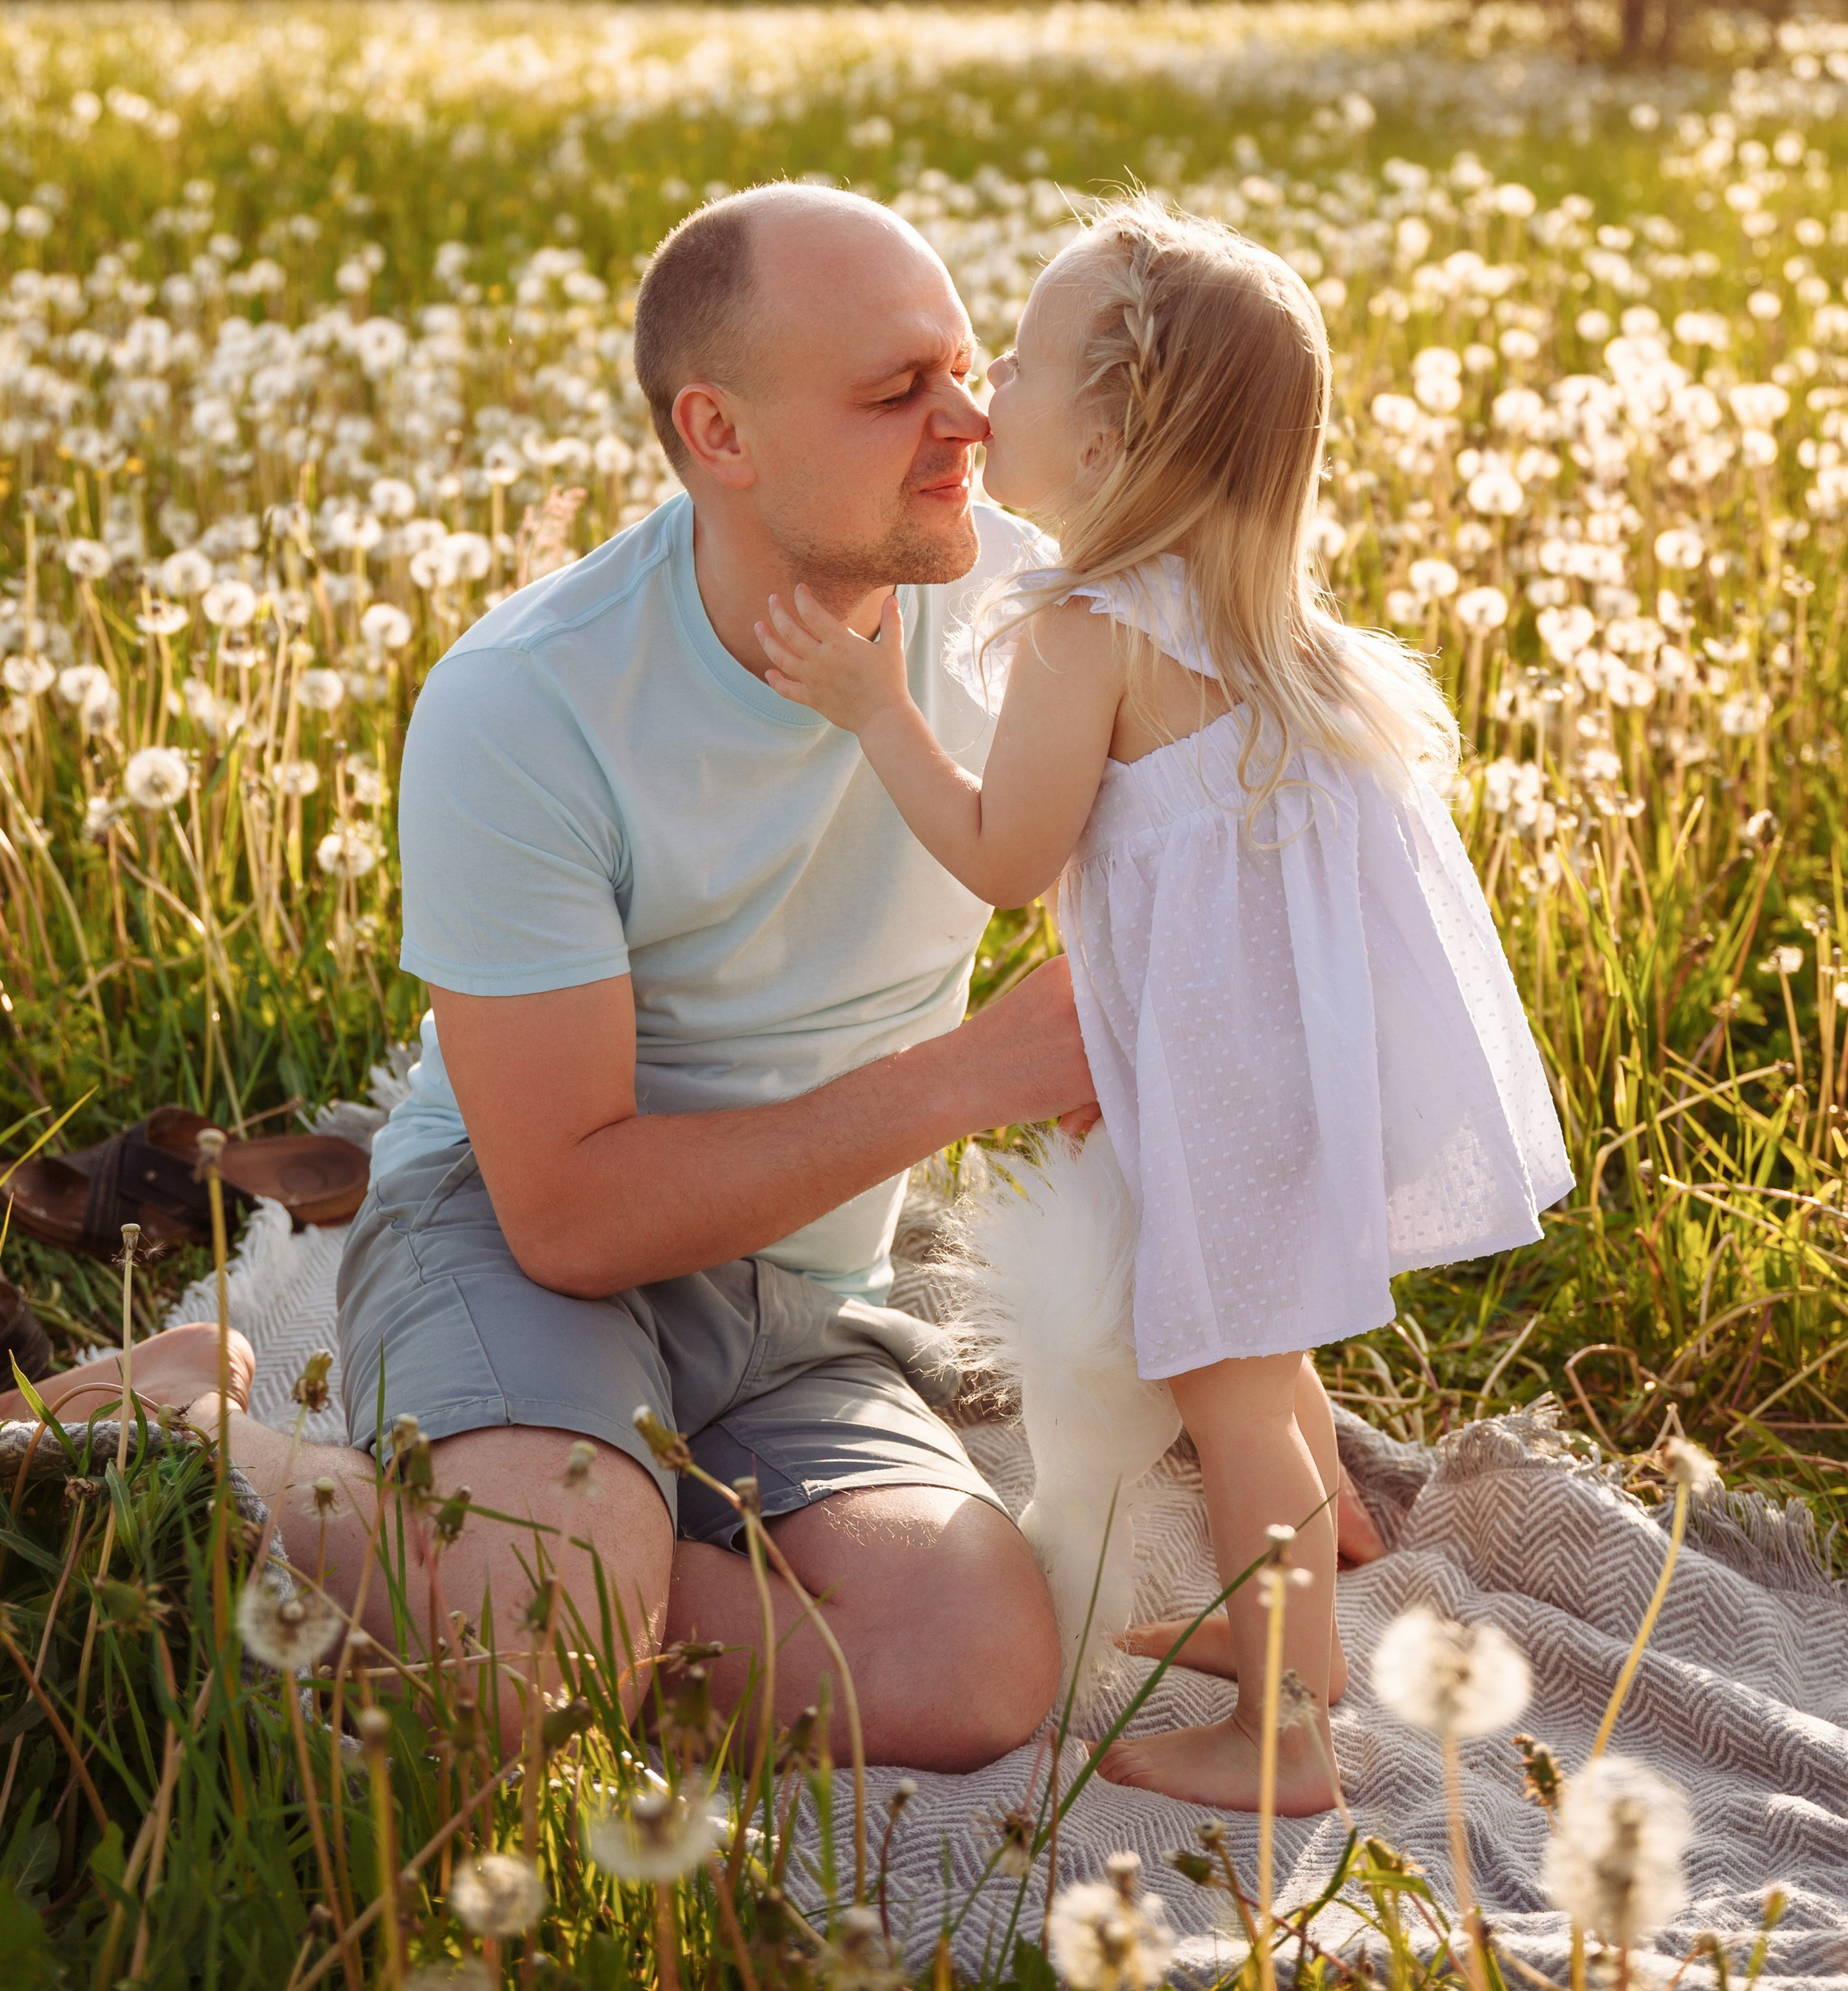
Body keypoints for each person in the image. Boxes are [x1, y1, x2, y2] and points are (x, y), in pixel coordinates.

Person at [7, 182, 1382, 1762]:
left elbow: (1180, 945)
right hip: (518, 1236)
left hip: (800, 1284)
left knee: (974, 1668)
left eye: (963, 367)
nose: (965, 421)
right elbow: (569, 1214)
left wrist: (1267, 1381)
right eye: (893, 394)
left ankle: (556, 1563)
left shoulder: (1045, 609)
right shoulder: (524, 705)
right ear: (716, 434)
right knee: (530, 1656)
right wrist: (974, 1075)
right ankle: (185, 1425)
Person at [758, 191, 1572, 1811]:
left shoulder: (1087, 629)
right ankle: (1317, 1551)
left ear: (1116, 425)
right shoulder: (1263, 630)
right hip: (1278, 1078)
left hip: (1220, 1106)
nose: (982, 392)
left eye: (1017, 359)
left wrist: (870, 707)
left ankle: (1287, 1727)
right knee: (1258, 1369)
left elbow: (1007, 859)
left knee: (1227, 1387)